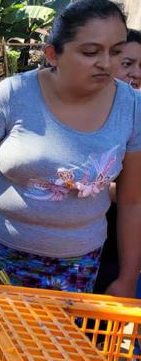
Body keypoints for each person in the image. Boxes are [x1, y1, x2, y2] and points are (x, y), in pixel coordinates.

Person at [0, 0, 141, 305]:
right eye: (91, 52)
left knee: (59, 349)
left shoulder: (132, 108)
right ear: (53, 54)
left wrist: (128, 277)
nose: (106, 63)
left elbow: (132, 200)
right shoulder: (13, 96)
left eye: (116, 51)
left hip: (80, 266)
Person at [94, 28, 141, 295]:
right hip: (90, 238)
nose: (136, 72)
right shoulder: (82, 112)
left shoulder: (136, 112)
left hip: (123, 240)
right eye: (127, 64)